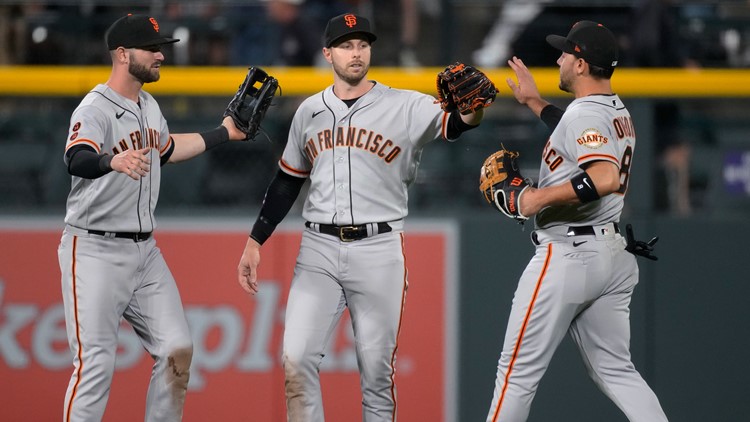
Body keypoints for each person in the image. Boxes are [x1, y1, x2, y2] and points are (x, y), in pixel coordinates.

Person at [237, 13, 487, 421]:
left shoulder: (405, 105)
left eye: (362, 45)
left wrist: (474, 109)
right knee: (296, 360)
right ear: (328, 53)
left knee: (376, 376)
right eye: (346, 45)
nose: (356, 53)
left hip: (379, 248)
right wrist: (255, 240)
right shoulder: (309, 111)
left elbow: (459, 123)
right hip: (318, 248)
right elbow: (286, 182)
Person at [57, 14, 248, 421]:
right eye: (152, 48)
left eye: (161, 47)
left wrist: (223, 133)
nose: (161, 55)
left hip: (145, 252)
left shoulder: (148, 104)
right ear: (123, 55)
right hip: (94, 249)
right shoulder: (95, 106)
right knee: (94, 368)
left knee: (177, 349)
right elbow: (77, 158)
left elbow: (166, 150)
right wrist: (112, 160)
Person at [484, 21, 668, 421]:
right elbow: (575, 133)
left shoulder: (585, 114)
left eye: (566, 53)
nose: (559, 59)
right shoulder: (612, 109)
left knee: (515, 374)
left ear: (581, 64)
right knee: (618, 371)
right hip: (611, 256)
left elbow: (603, 177)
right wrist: (534, 102)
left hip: (569, 253)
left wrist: (535, 199)